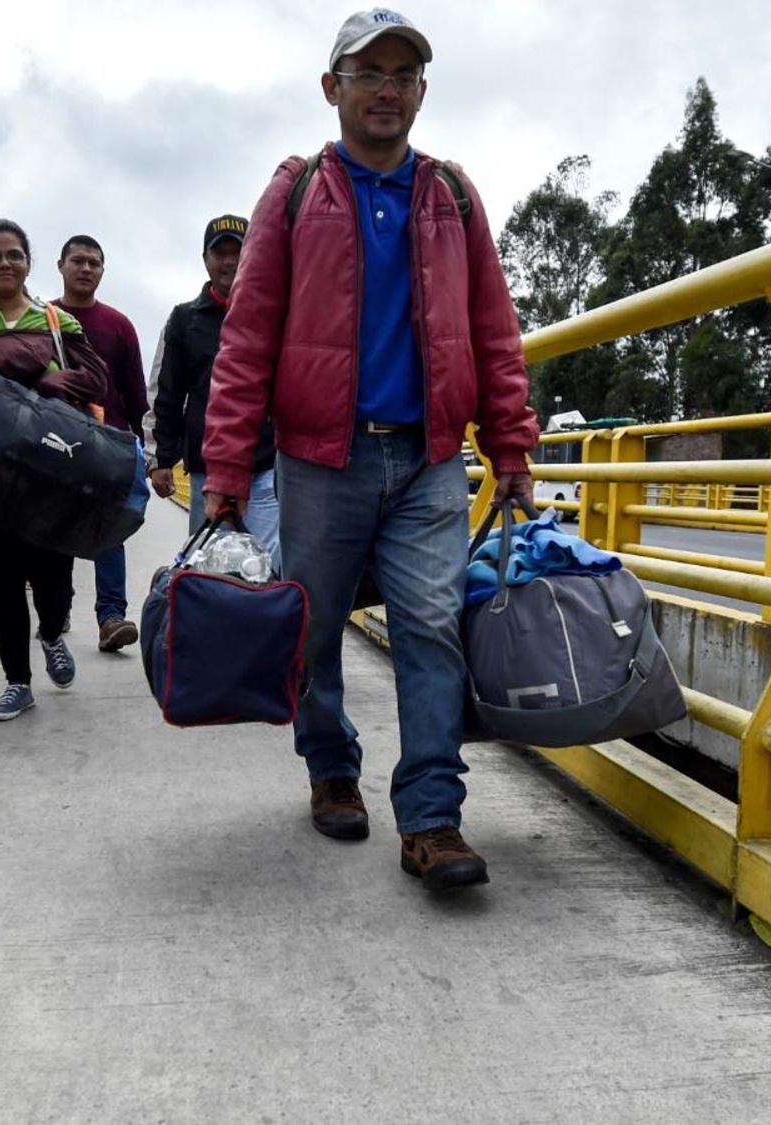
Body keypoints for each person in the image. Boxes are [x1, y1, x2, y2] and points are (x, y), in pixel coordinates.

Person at [199, 9, 538, 891]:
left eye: (403, 74)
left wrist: (510, 446)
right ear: (332, 89)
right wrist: (227, 472)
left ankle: (431, 817)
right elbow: (247, 339)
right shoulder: (298, 190)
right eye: (368, 73)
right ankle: (331, 765)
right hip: (320, 458)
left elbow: (494, 333)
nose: (387, 88)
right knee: (311, 634)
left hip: (426, 458)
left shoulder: (452, 197)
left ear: (422, 92)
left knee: (431, 627)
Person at [0, 219, 108, 721]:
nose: (4, 263)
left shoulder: (56, 323)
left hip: (50, 470)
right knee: (3, 579)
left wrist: (33, 379)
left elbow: (93, 380)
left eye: (14, 254)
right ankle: (17, 683)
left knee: (54, 575)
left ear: (29, 263)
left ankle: (52, 632)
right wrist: (33, 378)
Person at [143, 216, 279, 566]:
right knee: (210, 570)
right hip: (208, 472)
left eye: (239, 251)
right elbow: (167, 393)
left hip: (267, 469)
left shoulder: (276, 314)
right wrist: (160, 460)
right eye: (221, 253)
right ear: (205, 258)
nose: (230, 261)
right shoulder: (184, 320)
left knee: (264, 568)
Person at [52, 235, 149, 653]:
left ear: (103, 270)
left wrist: (141, 449)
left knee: (109, 529)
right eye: (78, 261)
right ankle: (58, 606)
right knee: (54, 528)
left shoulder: (119, 325)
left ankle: (111, 617)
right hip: (53, 438)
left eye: (94, 262)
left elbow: (135, 394)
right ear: (61, 265)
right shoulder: (45, 319)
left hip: (108, 442)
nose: (86, 269)